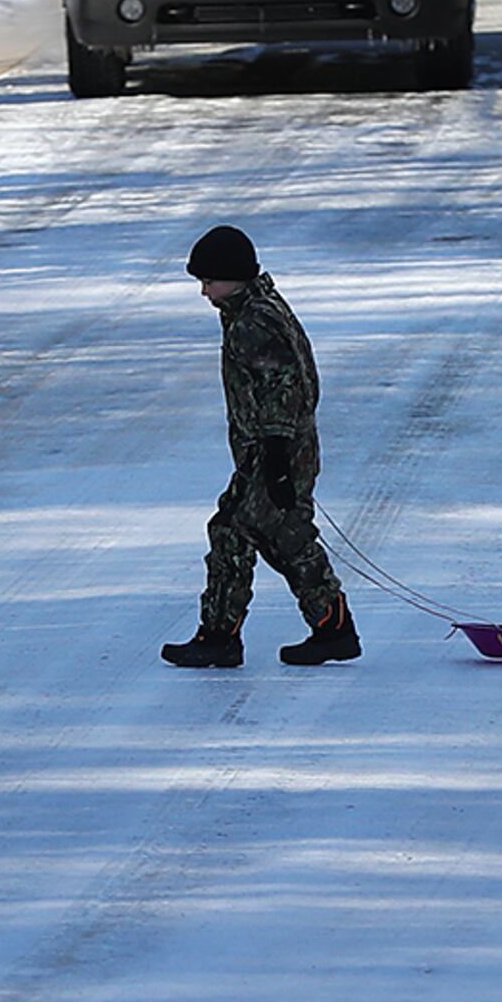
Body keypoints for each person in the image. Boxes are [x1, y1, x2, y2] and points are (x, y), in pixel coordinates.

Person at [165, 224, 360, 670]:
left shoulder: (255, 321)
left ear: (232, 276)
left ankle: (222, 637)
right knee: (278, 536)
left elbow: (283, 386)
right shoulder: (251, 309)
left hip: (279, 448)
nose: (204, 292)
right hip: (272, 449)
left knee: (240, 532)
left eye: (209, 281)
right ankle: (331, 628)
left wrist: (275, 454)